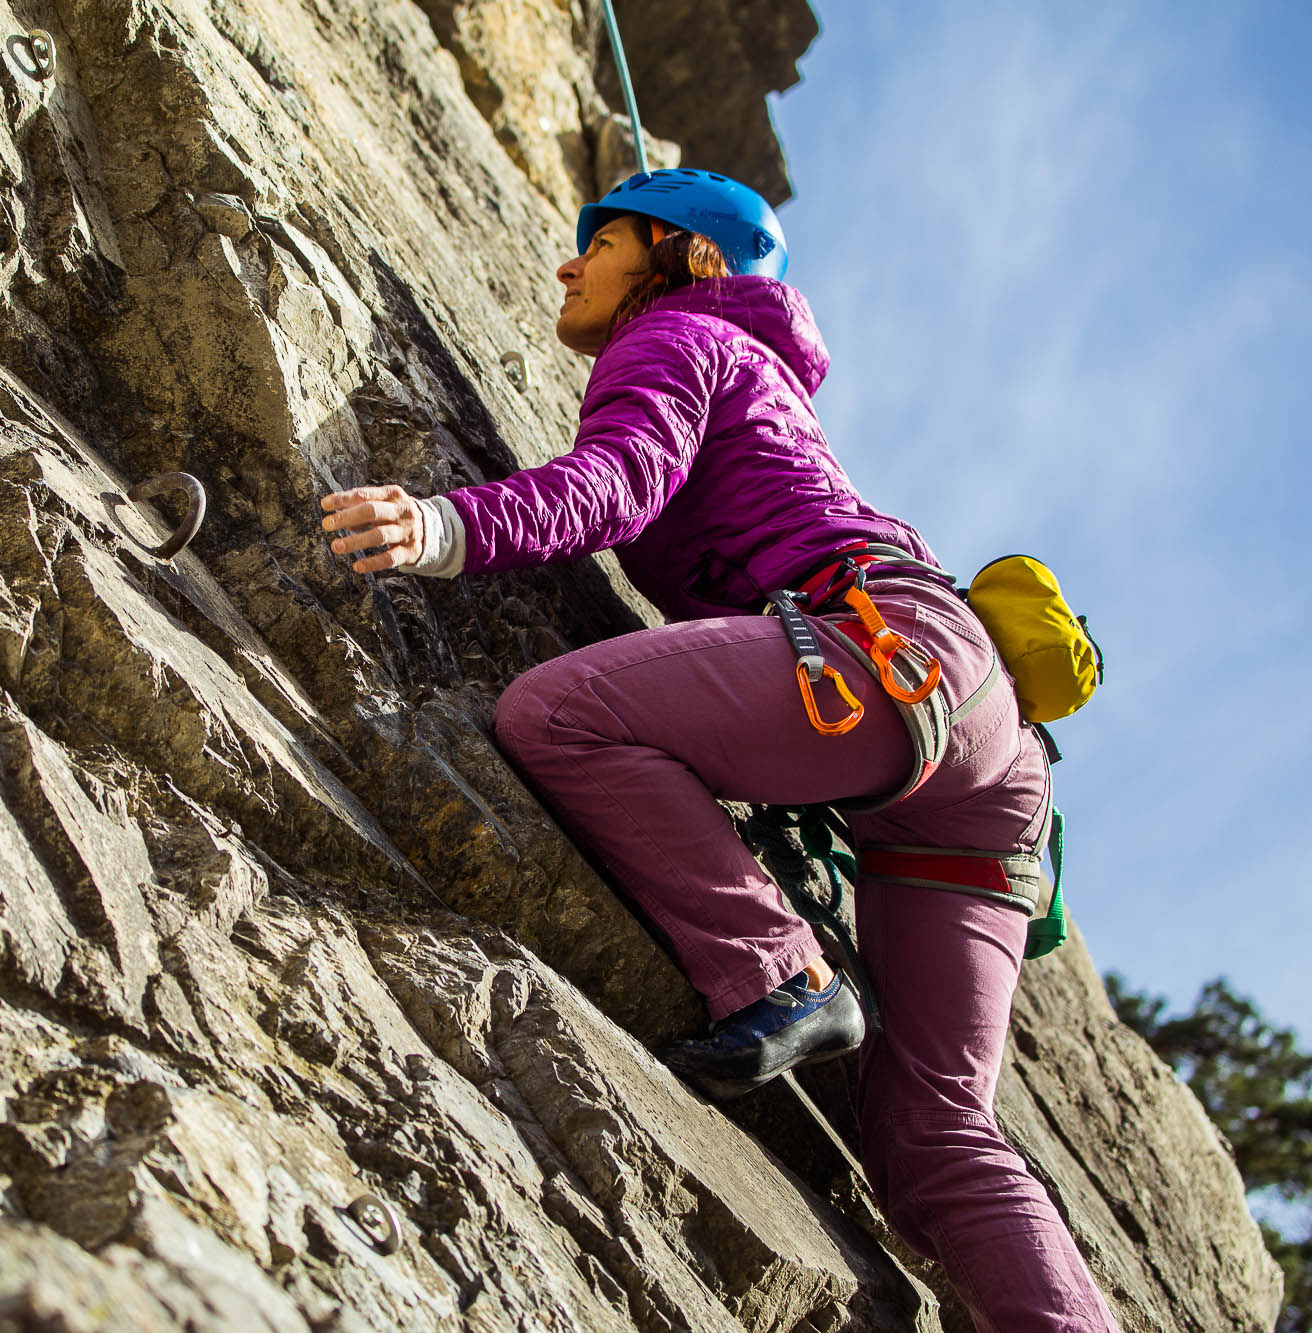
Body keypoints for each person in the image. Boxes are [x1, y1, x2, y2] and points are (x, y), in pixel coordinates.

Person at [317, 169, 1120, 1331]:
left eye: (598, 238)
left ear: (685, 257)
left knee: (559, 715)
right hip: (991, 767)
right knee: (936, 1137)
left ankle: (780, 972)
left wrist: (444, 525)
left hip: (885, 663)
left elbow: (618, 484)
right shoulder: (753, 368)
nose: (566, 262)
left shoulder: (674, 334)